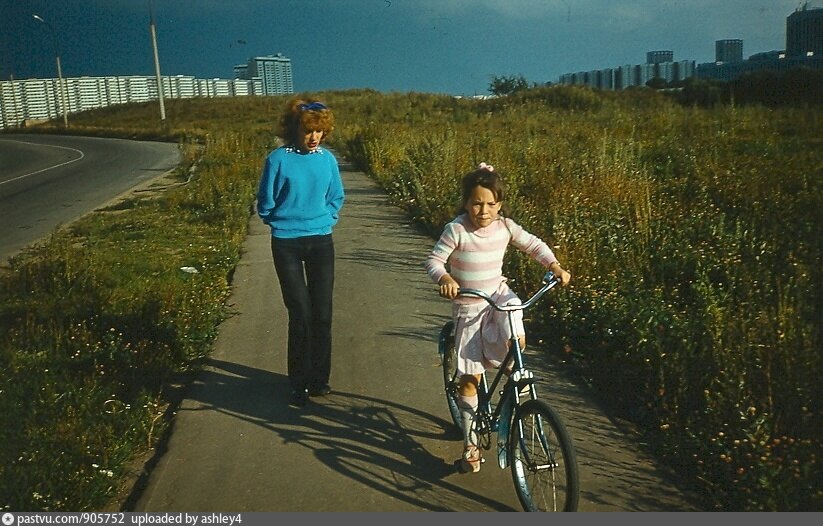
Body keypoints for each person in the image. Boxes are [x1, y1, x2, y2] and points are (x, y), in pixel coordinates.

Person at [424, 162, 571, 473]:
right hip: (471, 305)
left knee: (516, 338)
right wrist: (445, 278)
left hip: (499, 297)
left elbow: (533, 245)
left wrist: (554, 265)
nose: (484, 210)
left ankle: (515, 390)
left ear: (500, 204)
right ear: (466, 202)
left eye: (491, 203)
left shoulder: (505, 227)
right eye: (477, 203)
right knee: (470, 378)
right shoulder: (457, 230)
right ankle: (471, 445)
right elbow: (434, 260)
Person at [256, 97, 345, 408]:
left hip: (321, 241)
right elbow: (265, 202)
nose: (314, 137)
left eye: (319, 131)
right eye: (308, 130)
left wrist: (327, 218)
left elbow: (336, 196)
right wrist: (281, 221)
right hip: (287, 243)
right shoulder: (278, 159)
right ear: (294, 129)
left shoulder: (327, 160)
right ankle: (298, 383)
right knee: (301, 314)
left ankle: (319, 379)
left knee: (322, 313)